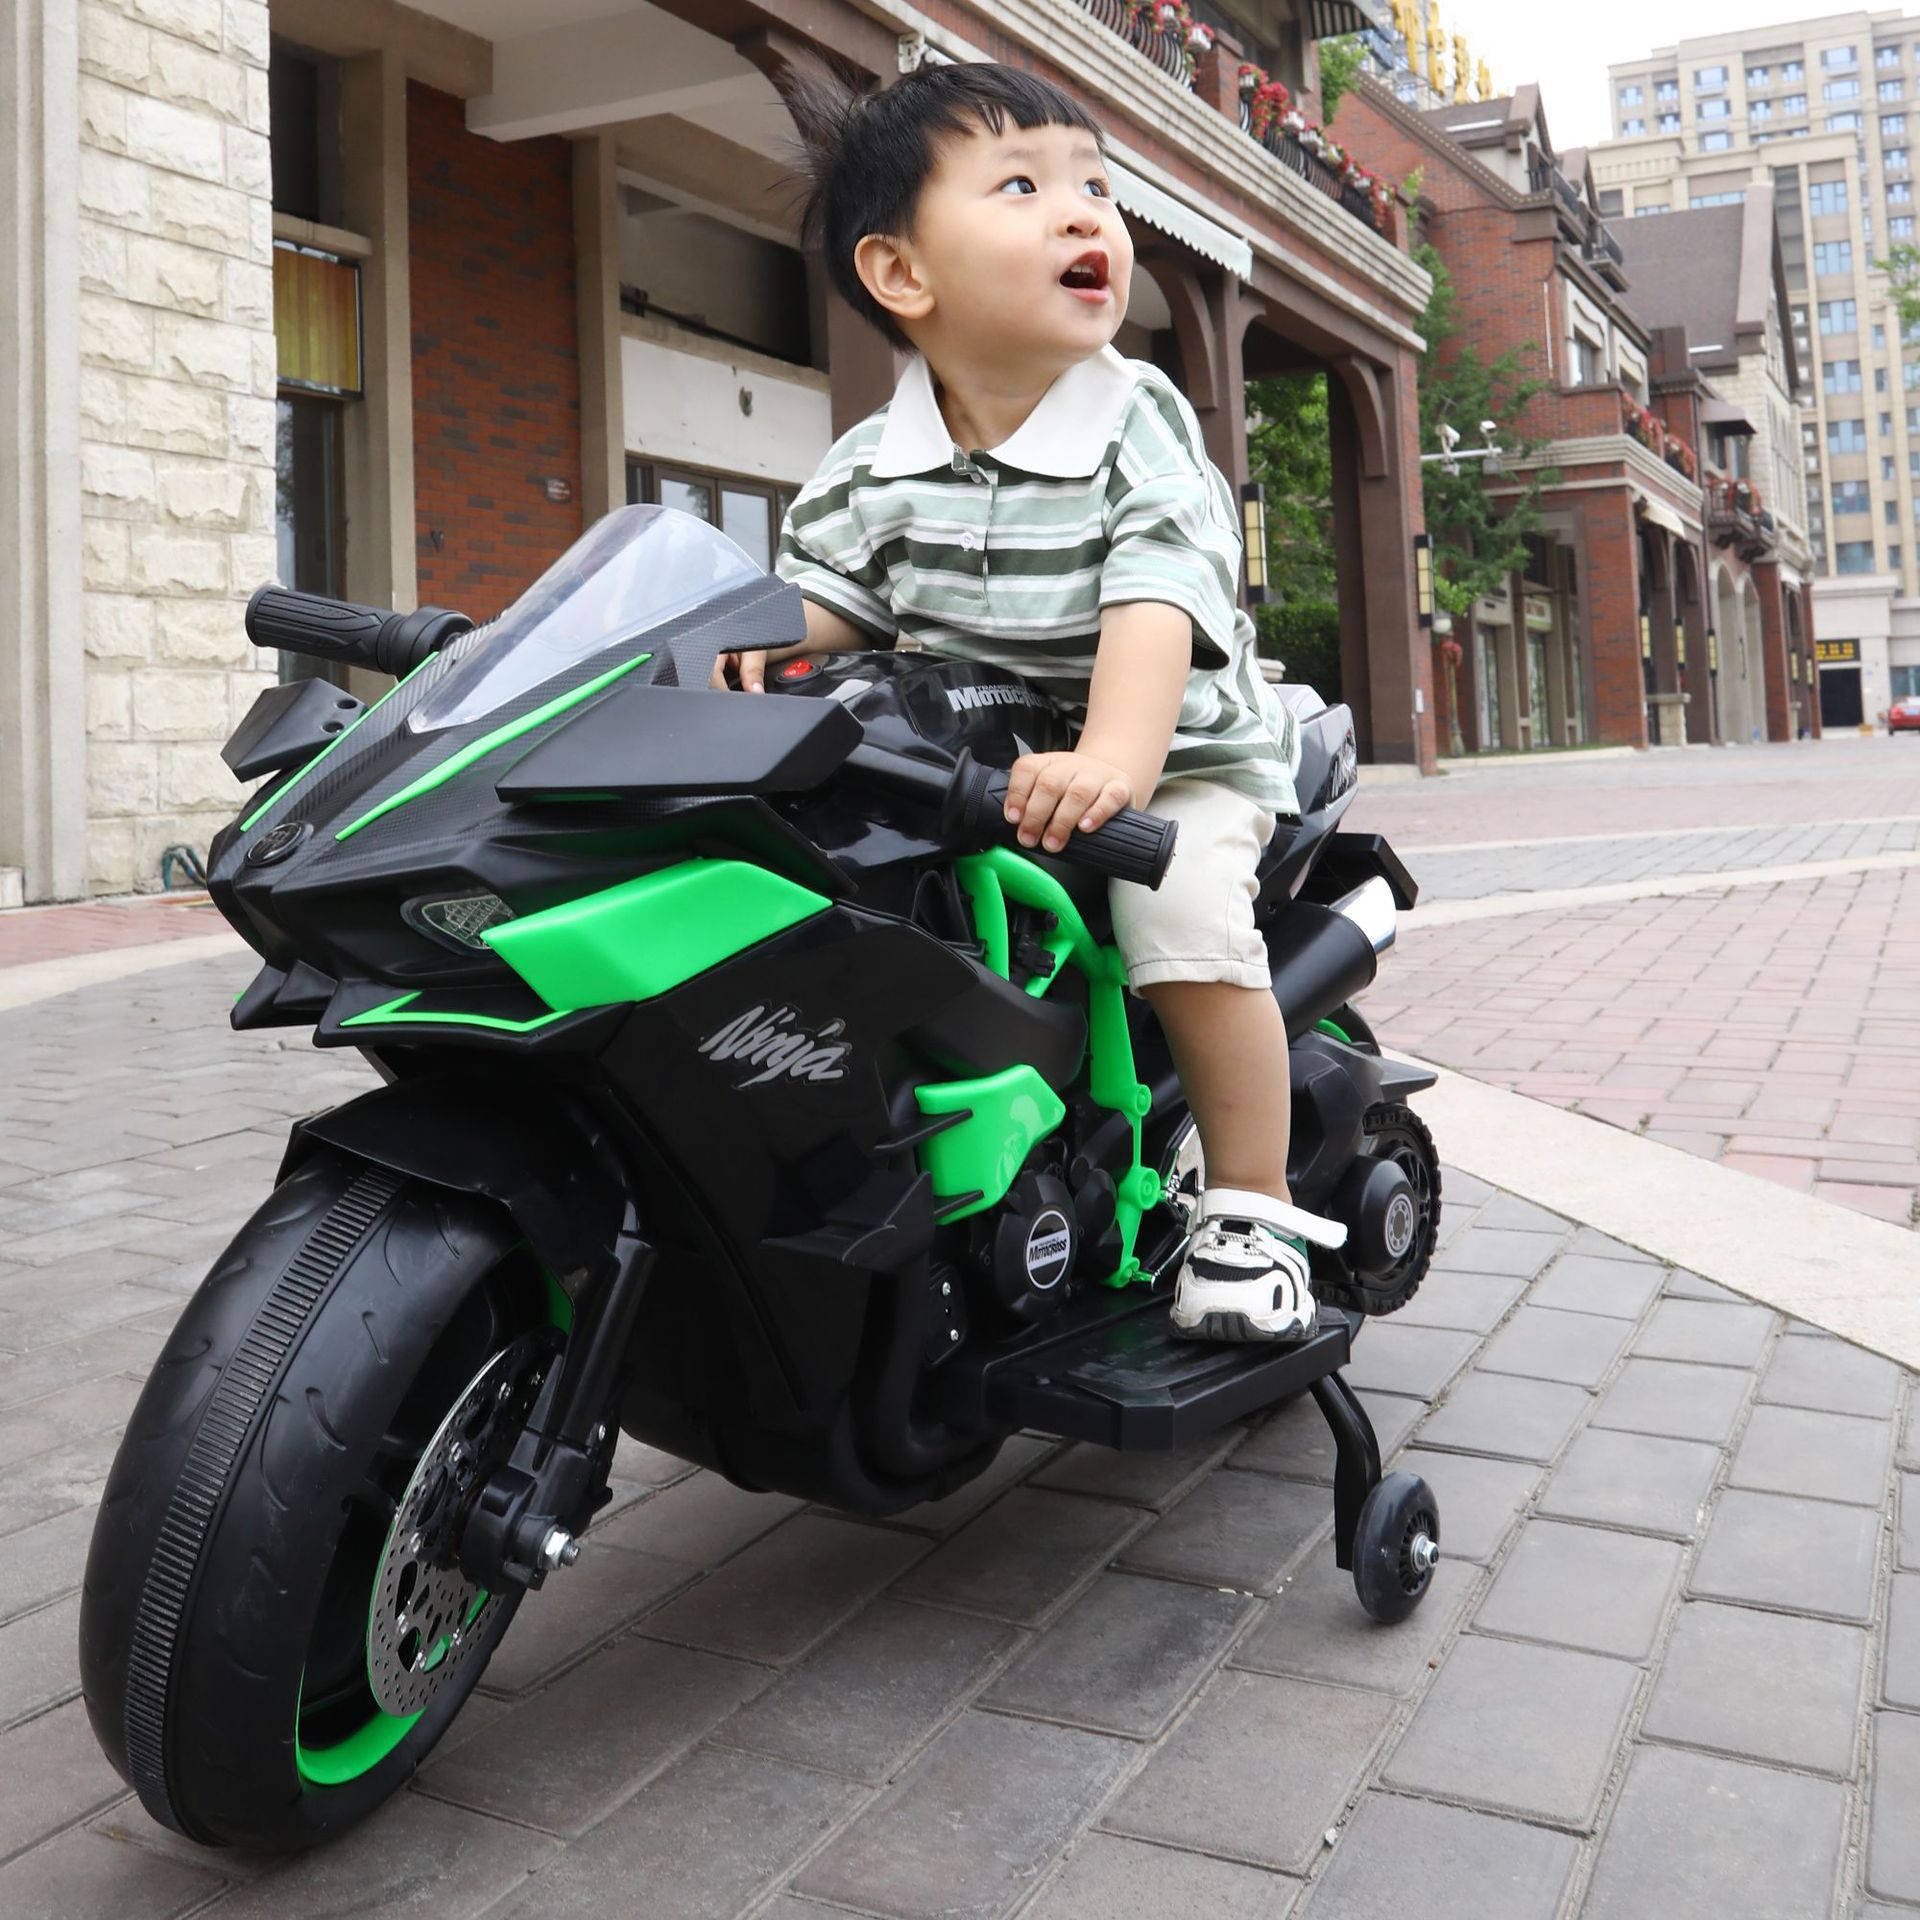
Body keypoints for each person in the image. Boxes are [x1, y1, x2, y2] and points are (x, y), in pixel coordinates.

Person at [711, 61, 1347, 1342]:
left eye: (1095, 187)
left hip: (1174, 765)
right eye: (1025, 186)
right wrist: (724, 654)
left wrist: (1116, 757)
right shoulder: (872, 461)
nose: (1085, 215)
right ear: (901, 276)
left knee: (1178, 921)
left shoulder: (1138, 422)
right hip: (984, 765)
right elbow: (826, 600)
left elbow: (1158, 599)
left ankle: (1251, 1214)